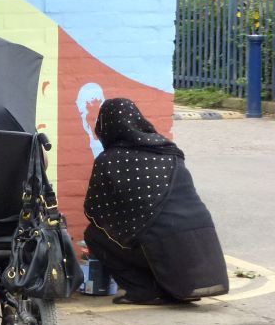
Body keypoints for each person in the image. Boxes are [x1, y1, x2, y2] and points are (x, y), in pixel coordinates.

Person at [83, 98, 229, 305]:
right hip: (204, 245)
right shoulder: (167, 150)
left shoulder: (110, 159)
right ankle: (170, 287)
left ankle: (144, 291)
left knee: (95, 235)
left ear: (106, 126)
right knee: (149, 230)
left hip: (165, 243)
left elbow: (95, 210)